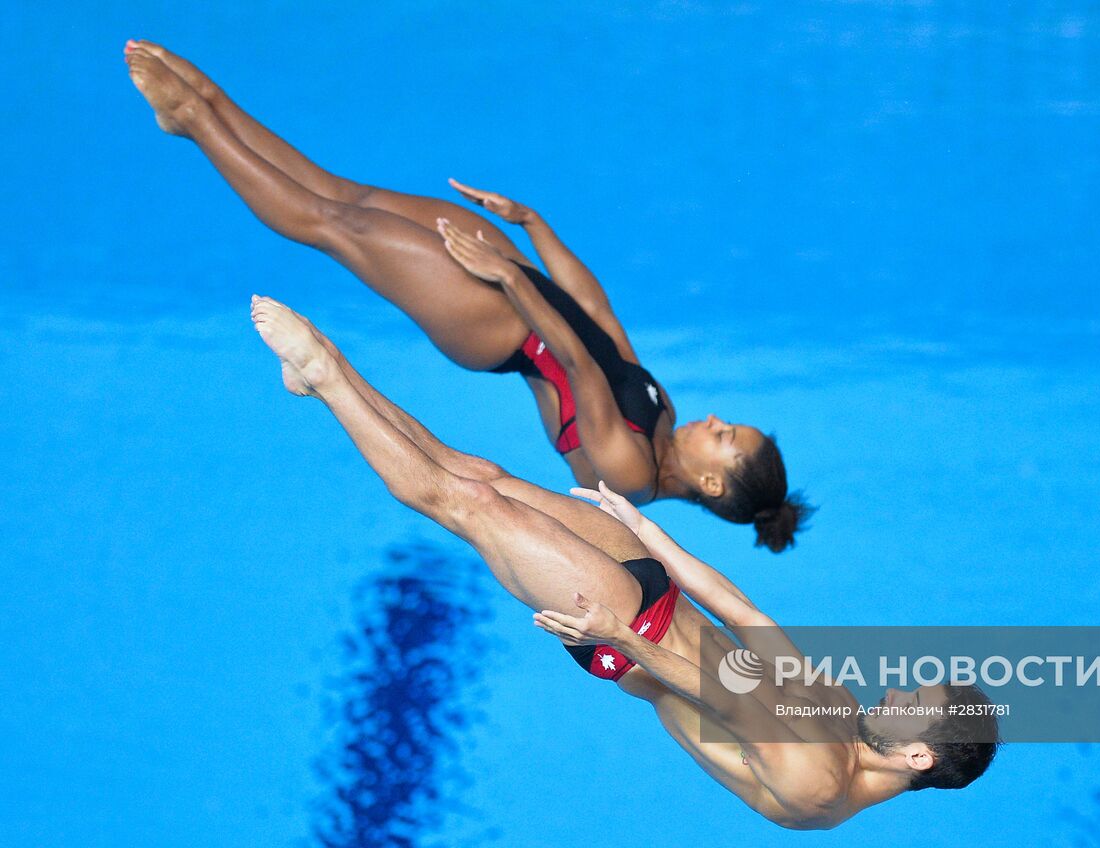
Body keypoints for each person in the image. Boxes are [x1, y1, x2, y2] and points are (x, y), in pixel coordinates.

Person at [247, 294, 997, 828]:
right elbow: (745, 616)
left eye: (909, 705)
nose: (893, 692)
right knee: (484, 477)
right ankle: (321, 387)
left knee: (463, 506)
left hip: (631, 638)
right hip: (654, 590)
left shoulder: (818, 789)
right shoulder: (837, 708)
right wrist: (653, 536)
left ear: (920, 758)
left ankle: (329, 368)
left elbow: (720, 701)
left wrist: (622, 633)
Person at [124, 40, 812, 550]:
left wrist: (507, 276)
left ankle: (192, 119)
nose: (717, 418)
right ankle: (212, 105)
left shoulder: (630, 475)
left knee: (330, 226)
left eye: (725, 437)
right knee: (347, 194)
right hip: (516, 282)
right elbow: (599, 319)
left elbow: (574, 364)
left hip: (494, 324)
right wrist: (532, 226)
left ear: (712, 485)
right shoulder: (664, 415)